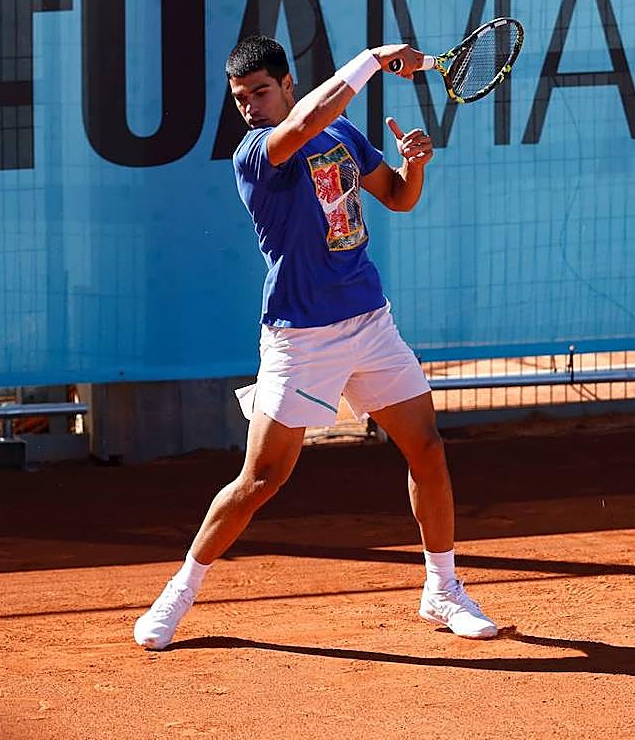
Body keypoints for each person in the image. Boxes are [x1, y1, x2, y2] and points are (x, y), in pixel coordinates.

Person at [133, 36, 497, 649]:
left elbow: (398, 199)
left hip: (369, 322)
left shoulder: (344, 136)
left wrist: (416, 167)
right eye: (240, 97)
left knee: (427, 449)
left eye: (260, 92)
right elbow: (308, 120)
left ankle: (442, 589)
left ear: (287, 81)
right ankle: (179, 592)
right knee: (262, 479)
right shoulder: (257, 153)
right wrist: (375, 58)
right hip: (301, 337)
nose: (250, 105)